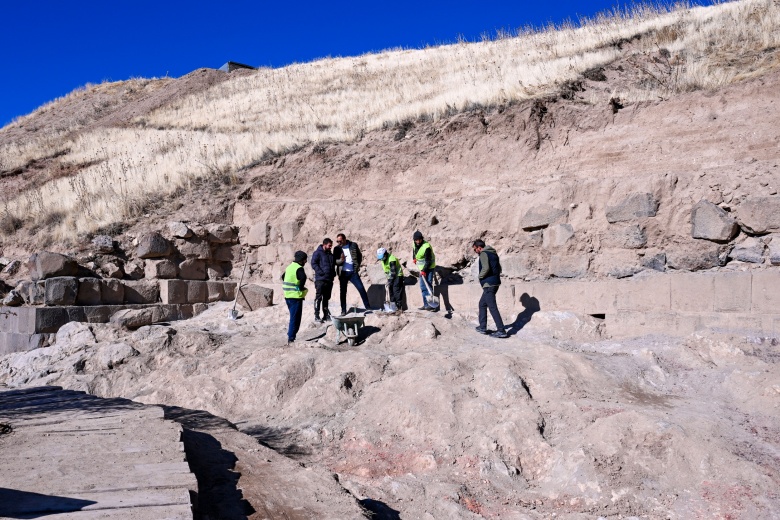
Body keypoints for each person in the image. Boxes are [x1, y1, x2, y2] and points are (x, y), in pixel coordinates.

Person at [472, 239, 508, 338]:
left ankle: (501, 330)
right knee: (482, 304)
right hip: (495, 283)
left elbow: (486, 268)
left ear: (479, 247)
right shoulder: (493, 253)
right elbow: (499, 269)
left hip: (489, 284)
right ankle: (482, 327)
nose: (476, 252)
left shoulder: (484, 253)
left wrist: (480, 276)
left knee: (492, 307)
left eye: (475, 249)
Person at [333, 233, 371, 314]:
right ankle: (343, 310)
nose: (339, 243)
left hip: (353, 272)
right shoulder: (336, 249)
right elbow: (334, 261)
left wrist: (357, 266)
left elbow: (359, 256)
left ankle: (368, 307)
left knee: (361, 288)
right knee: (343, 292)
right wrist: (341, 261)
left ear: (344, 239)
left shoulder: (353, 245)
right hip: (342, 273)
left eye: (340, 241)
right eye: (337, 241)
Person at [282, 250, 308, 343]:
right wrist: (300, 287)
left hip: (287, 296)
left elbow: (283, 277)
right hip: (295, 297)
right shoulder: (299, 268)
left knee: (293, 316)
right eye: (305, 260)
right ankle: (291, 338)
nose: (305, 262)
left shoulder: (289, 267)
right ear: (301, 260)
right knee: (295, 318)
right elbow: (303, 278)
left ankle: (291, 335)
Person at [310, 238, 335, 323]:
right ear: (324, 244)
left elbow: (332, 265)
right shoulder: (317, 253)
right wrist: (320, 272)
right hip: (320, 280)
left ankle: (326, 315)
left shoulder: (330, 255)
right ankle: (317, 316)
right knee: (318, 298)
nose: (330, 247)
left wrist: (333, 274)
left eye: (331, 245)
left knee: (326, 298)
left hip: (329, 280)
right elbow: (313, 263)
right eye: (329, 245)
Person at [412, 230, 437, 311]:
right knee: (423, 286)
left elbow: (428, 261)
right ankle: (426, 304)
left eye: (419, 239)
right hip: (421, 268)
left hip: (429, 268)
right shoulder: (414, 243)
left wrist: (424, 270)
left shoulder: (426, 247)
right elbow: (414, 251)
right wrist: (414, 258)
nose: (418, 241)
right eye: (416, 240)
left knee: (428, 284)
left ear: (421, 239)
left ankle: (432, 306)